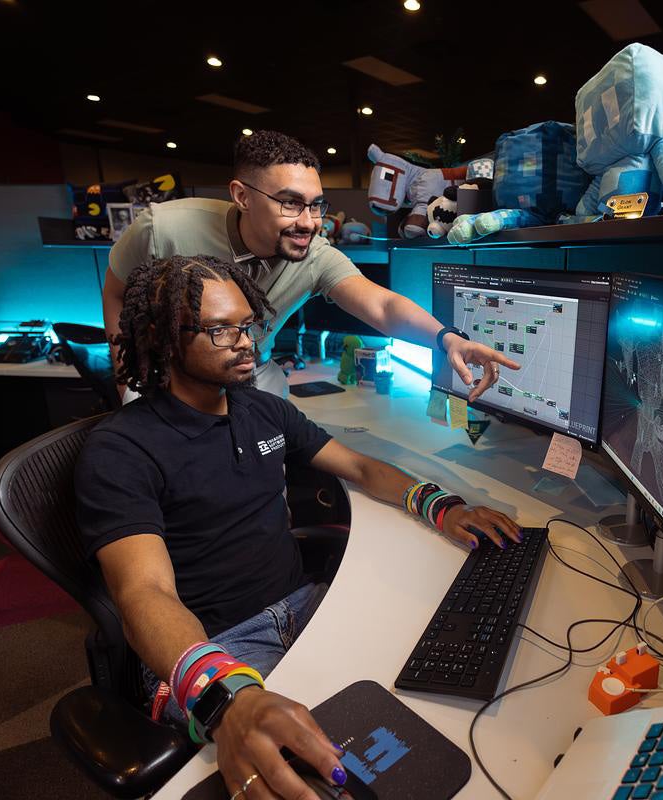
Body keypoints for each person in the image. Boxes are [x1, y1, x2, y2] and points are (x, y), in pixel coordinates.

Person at [76, 254, 521, 799]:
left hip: (304, 605)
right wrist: (225, 695)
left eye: (246, 324)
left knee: (430, 687)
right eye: (219, 330)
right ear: (165, 339)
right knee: (323, 769)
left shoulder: (261, 409)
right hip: (217, 645)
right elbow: (142, 592)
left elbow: (358, 467)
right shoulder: (121, 448)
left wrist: (441, 505)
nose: (244, 341)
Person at [104, 130, 517, 400]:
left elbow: (381, 305)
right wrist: (128, 381)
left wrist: (447, 339)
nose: (308, 222)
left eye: (316, 205)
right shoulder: (164, 228)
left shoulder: (314, 253)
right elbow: (116, 292)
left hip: (253, 377)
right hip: (169, 379)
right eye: (290, 203)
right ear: (242, 196)